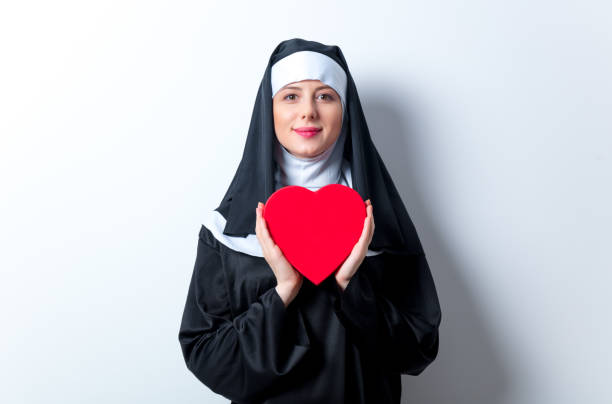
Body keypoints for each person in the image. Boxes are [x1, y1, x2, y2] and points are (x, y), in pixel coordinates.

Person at [178, 38, 442, 404]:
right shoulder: (227, 230)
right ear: (268, 111)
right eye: (290, 96)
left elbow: (418, 350)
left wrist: (351, 284)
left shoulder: (380, 220)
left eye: (325, 96)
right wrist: (283, 290)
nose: (307, 112)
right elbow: (208, 359)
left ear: (345, 110)